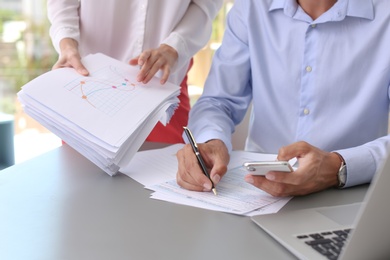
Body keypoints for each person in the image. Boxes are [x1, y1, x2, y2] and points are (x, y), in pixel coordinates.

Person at [176, 0, 390, 197]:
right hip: (256, 195)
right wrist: (211, 141)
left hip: (353, 195)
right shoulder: (251, 7)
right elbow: (218, 101)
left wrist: (338, 166)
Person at [47, 0, 223, 143]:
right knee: (83, 178)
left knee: (170, 174)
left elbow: (205, 4)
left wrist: (175, 46)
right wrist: (67, 43)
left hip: (162, 87)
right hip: (89, 86)